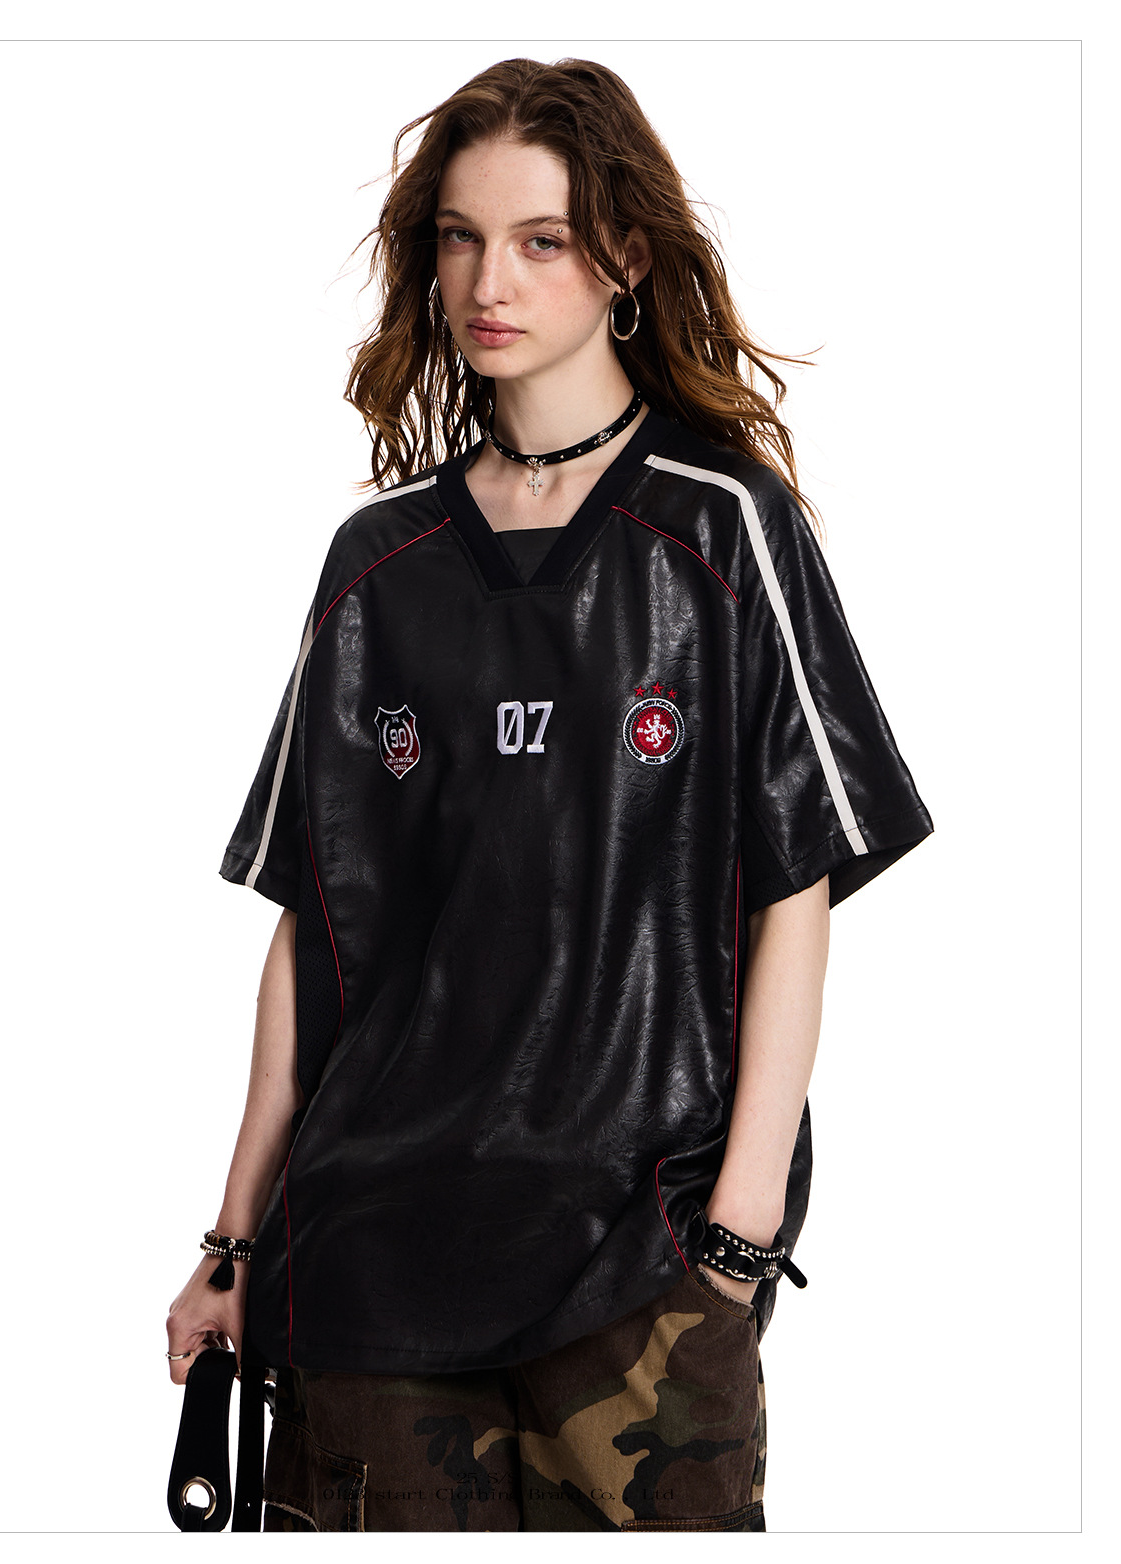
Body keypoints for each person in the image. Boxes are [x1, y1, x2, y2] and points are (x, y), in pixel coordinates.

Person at [165, 56, 934, 1533]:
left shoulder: (725, 530)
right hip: (373, 1263)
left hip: (639, 1265)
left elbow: (796, 886)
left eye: (541, 239)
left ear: (625, 257)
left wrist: (740, 1225)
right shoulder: (379, 563)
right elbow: (316, 931)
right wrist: (234, 1239)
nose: (489, 281)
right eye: (460, 238)